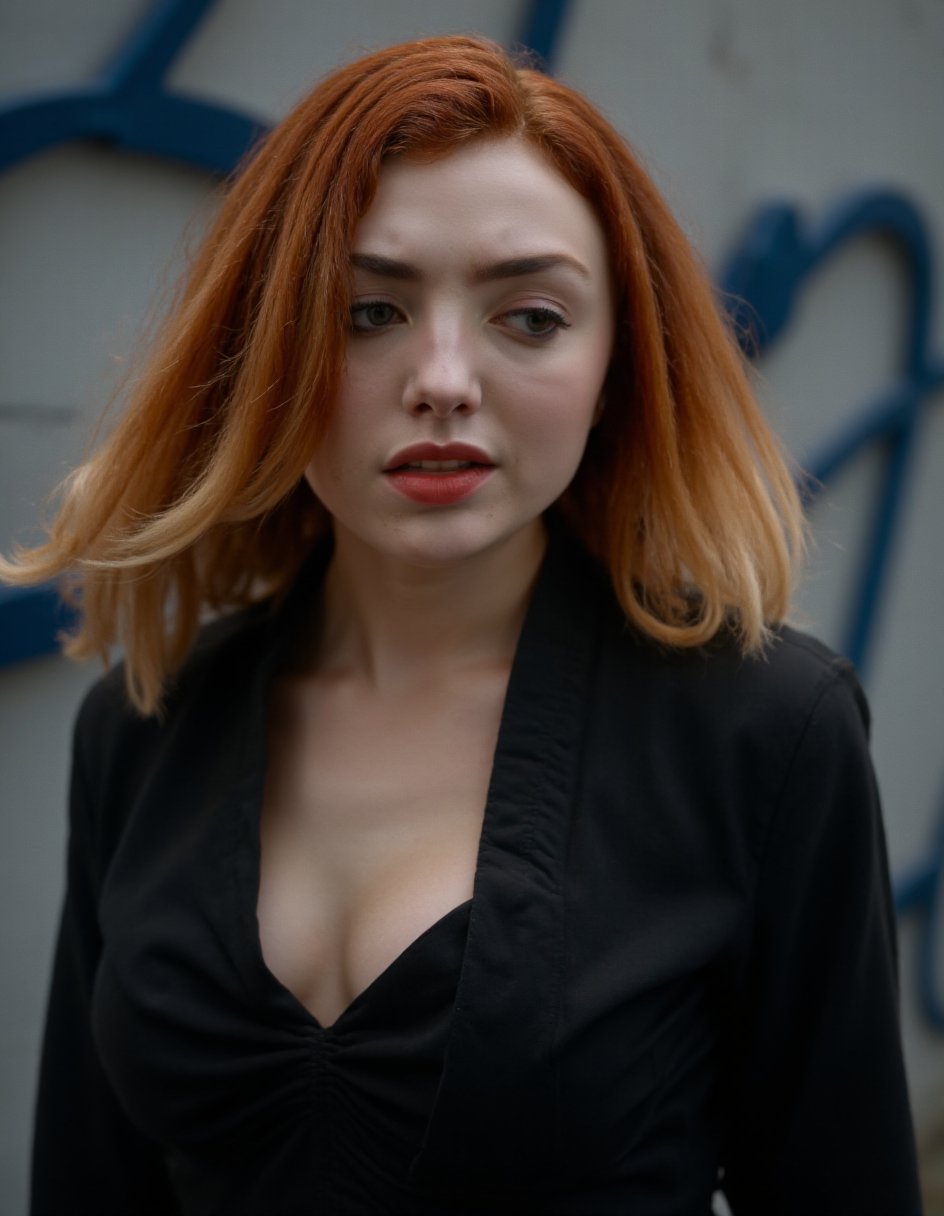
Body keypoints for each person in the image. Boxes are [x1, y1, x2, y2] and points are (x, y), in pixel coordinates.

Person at [3, 33, 922, 1216]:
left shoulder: (766, 733)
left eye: (529, 317)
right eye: (368, 310)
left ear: (615, 366)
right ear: (268, 349)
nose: (442, 375)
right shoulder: (140, 730)